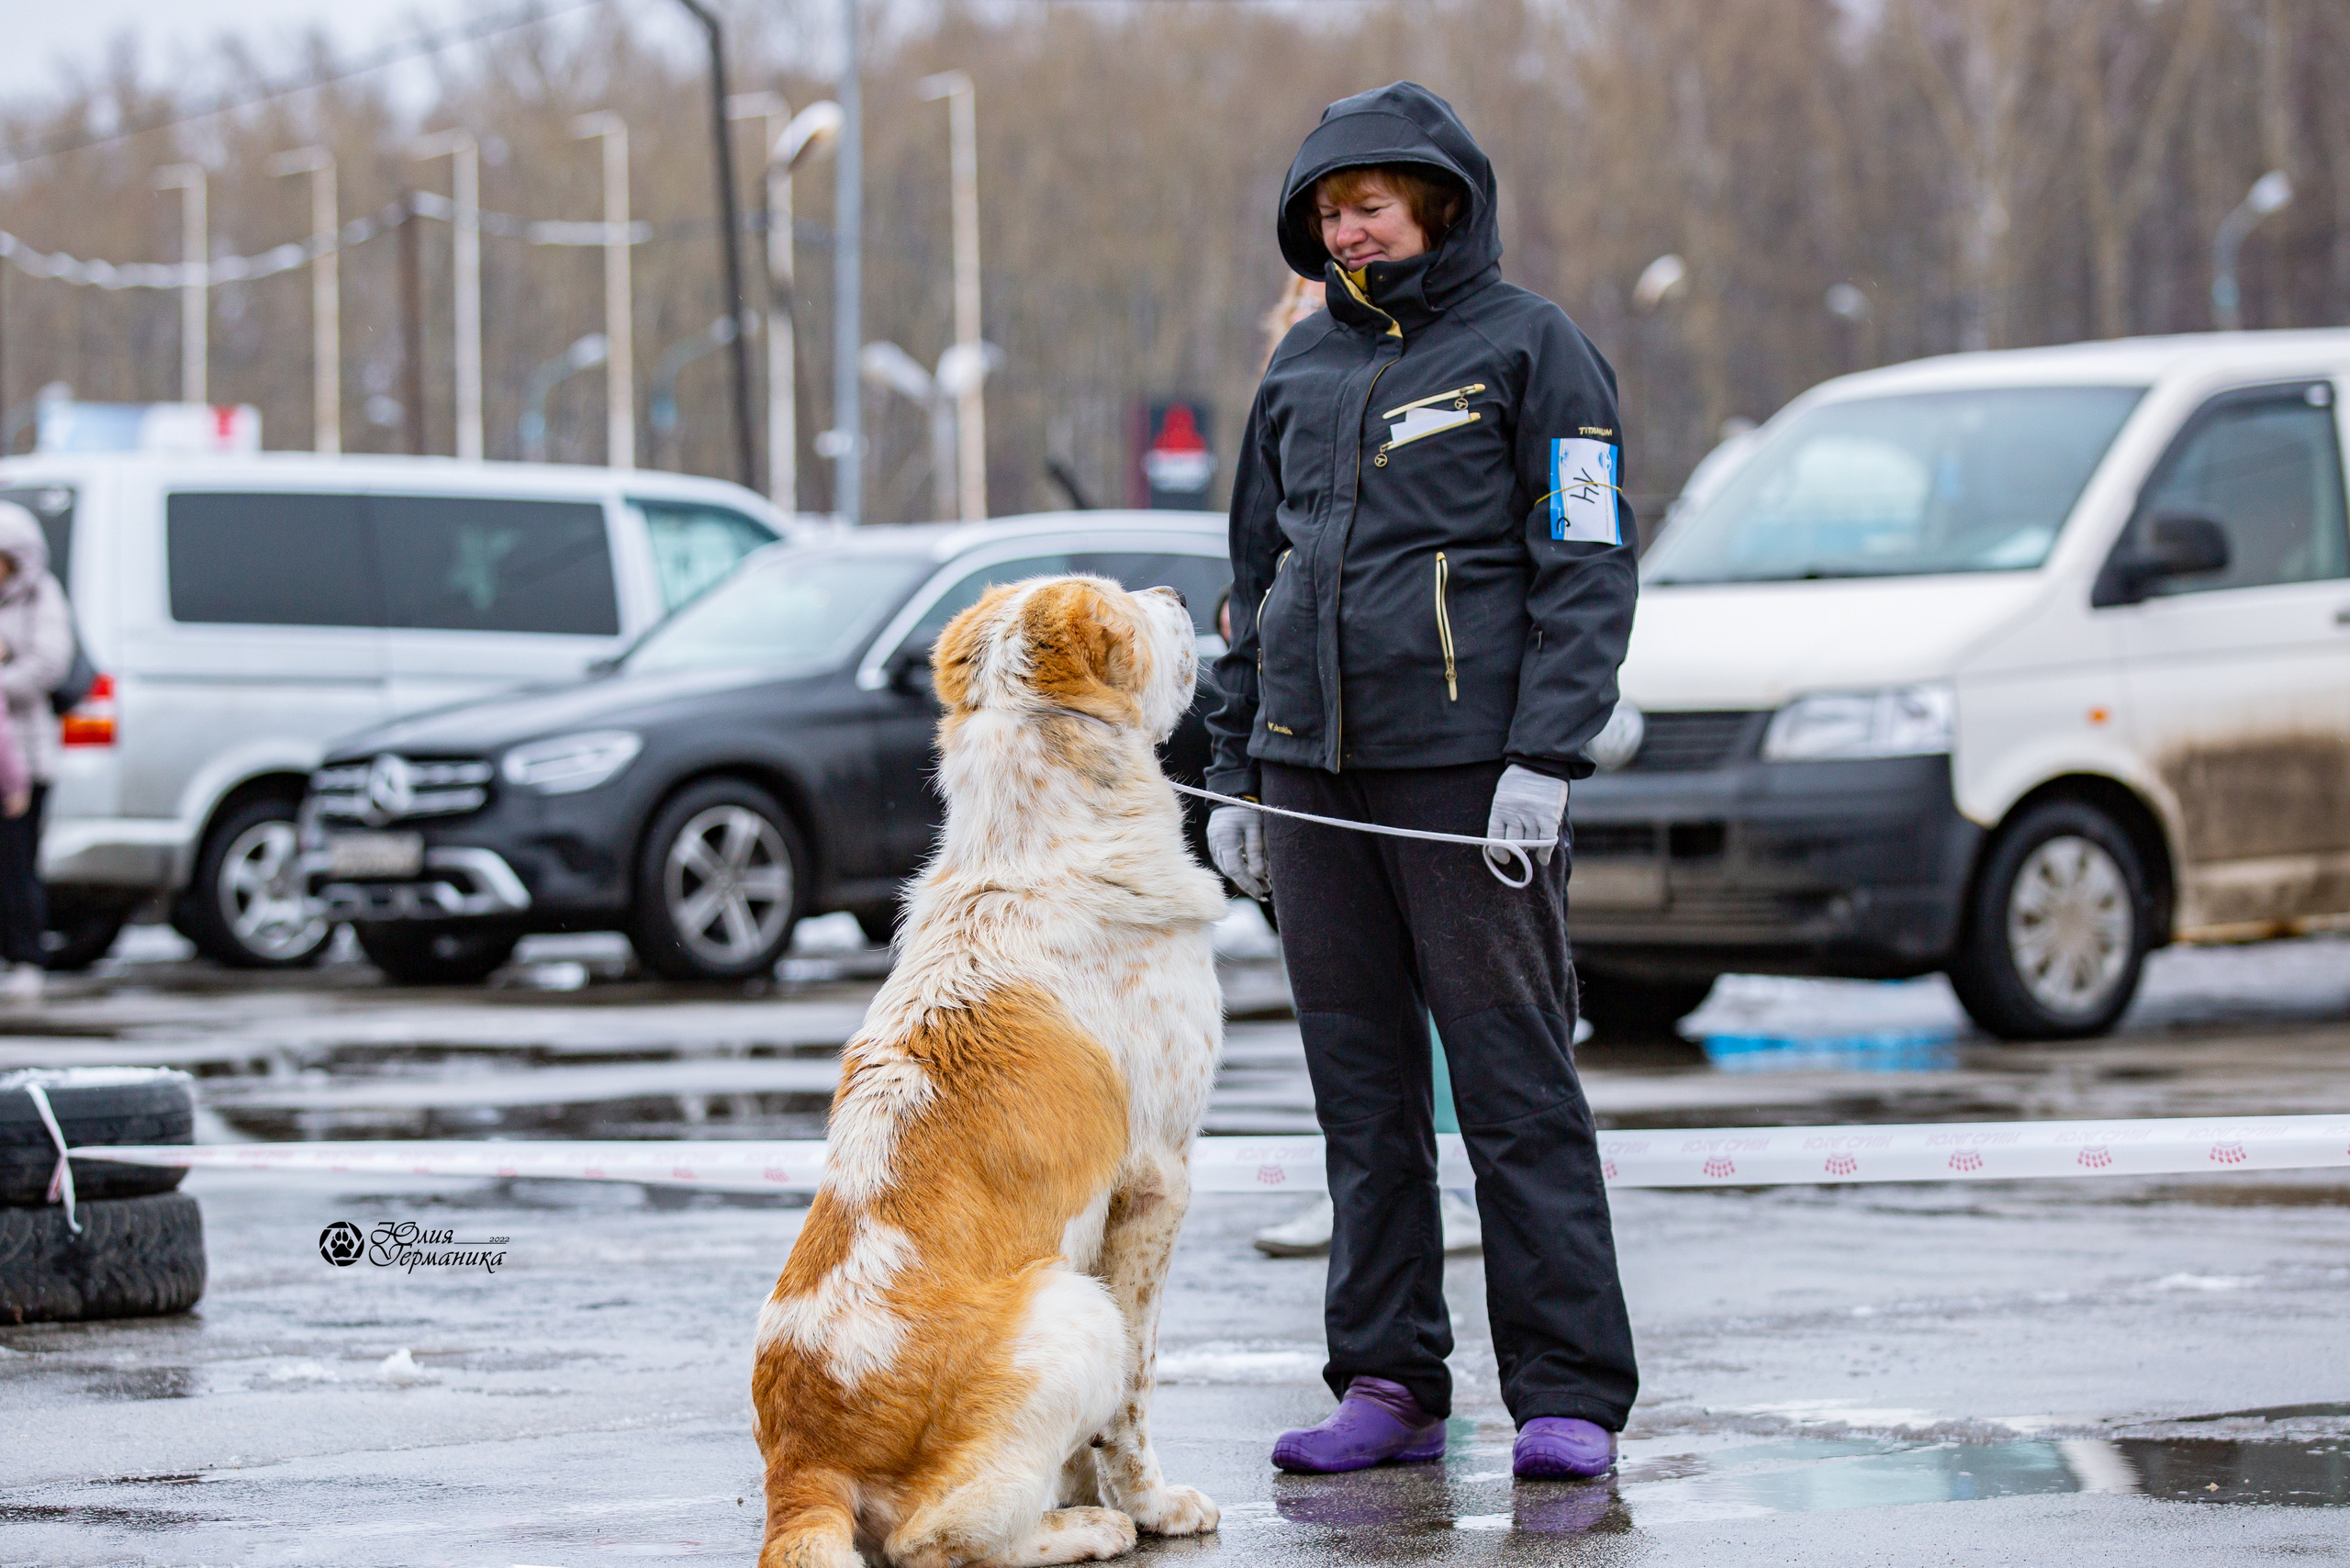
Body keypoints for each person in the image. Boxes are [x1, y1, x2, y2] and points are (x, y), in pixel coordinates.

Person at [1204, 82, 1639, 1480]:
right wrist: (1235, 774)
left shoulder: (1536, 349)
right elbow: (1254, 583)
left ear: (1440, 206)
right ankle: (1388, 1382)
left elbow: (1588, 561)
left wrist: (1545, 758)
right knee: (1362, 1094)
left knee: (1514, 1087)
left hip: (1467, 779)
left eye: (1371, 208)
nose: (1348, 231)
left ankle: (1569, 1396)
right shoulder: (1302, 370)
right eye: (1329, 213)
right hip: (1310, 777)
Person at [0, 502, 73, 1002]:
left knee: (17, 863)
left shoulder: (41, 596)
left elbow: (50, 664)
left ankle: (26, 956)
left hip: (23, 759)